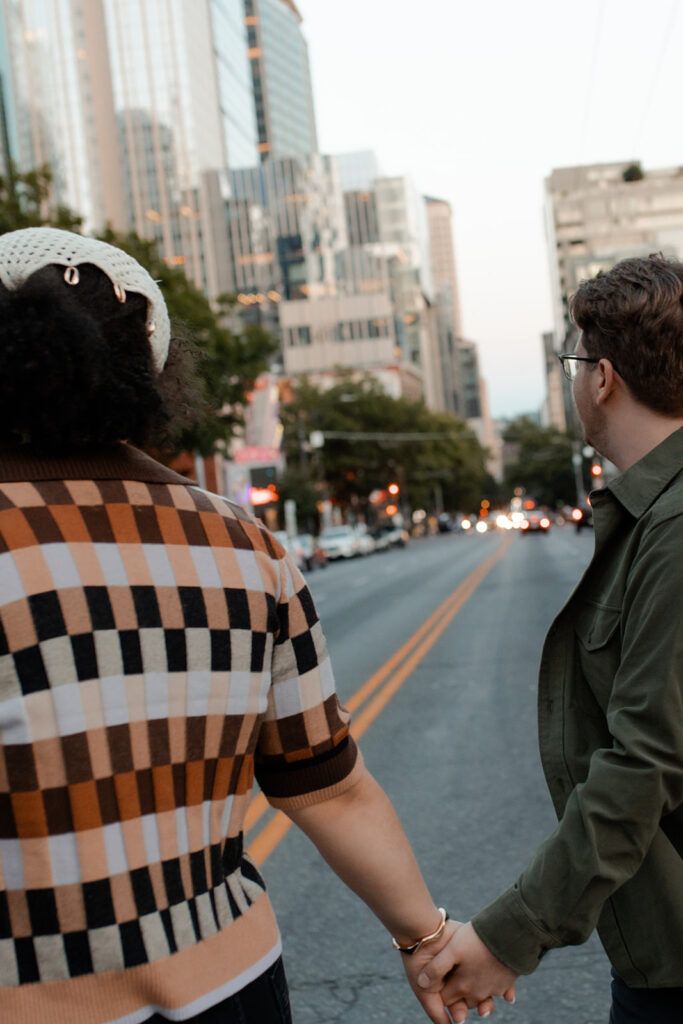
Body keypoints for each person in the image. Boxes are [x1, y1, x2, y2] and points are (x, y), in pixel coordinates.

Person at [0, 227, 499, 1024]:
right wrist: (426, 938)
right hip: (230, 986)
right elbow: (329, 791)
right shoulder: (243, 542)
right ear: (153, 374)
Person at [418, 254, 683, 1022]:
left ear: (601, 378)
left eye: (572, 365)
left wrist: (506, 938)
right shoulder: (653, 515)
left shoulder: (672, 527)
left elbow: (643, 764)